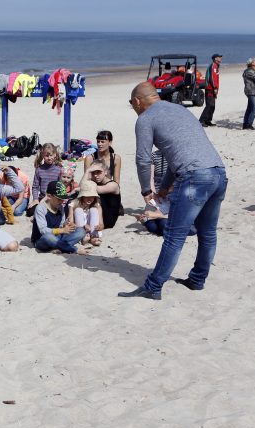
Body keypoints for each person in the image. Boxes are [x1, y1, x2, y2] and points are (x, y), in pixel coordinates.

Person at [118, 81, 227, 300]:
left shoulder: (145, 118)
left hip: (195, 177)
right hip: (218, 172)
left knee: (174, 236)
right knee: (207, 233)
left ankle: (153, 286)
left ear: (138, 101)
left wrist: (146, 190)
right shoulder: (180, 109)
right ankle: (197, 279)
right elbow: (174, 155)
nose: (133, 109)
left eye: (132, 104)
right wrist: (165, 187)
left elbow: (143, 159)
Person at [31, 181, 87, 255]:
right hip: (41, 239)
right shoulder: (41, 208)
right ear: (49, 196)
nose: (61, 201)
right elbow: (43, 230)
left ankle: (60, 247)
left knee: (81, 231)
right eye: (59, 199)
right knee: (49, 237)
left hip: (58, 237)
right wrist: (62, 230)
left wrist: (67, 225)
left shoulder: (60, 207)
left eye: (63, 199)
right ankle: (72, 249)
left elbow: (61, 225)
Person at [82, 162, 122, 229]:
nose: (95, 175)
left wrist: (88, 171)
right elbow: (84, 186)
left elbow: (85, 187)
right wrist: (88, 171)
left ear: (105, 172)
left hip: (107, 219)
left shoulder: (113, 185)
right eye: (93, 172)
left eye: (98, 172)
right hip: (96, 214)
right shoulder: (94, 182)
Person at [28, 143, 62, 215]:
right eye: (46, 156)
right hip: (42, 197)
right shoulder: (39, 169)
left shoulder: (59, 169)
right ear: (43, 156)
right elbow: (35, 186)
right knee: (30, 211)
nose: (49, 158)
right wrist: (35, 199)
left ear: (55, 154)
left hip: (54, 198)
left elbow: (61, 186)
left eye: (51, 155)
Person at [70, 179, 103, 246]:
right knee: (78, 210)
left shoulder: (97, 205)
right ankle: (82, 237)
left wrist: (99, 227)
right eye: (87, 196)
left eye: (92, 196)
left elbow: (101, 224)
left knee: (93, 210)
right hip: (79, 228)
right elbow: (71, 222)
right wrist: (84, 227)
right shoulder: (74, 204)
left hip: (93, 230)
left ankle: (93, 236)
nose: (89, 198)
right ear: (82, 196)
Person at [199, 54, 221, 127]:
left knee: (212, 106)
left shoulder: (216, 66)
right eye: (219, 57)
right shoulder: (213, 66)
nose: (220, 59)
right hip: (210, 88)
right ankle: (202, 120)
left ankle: (208, 120)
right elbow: (212, 78)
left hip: (212, 88)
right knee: (209, 105)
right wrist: (215, 87)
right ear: (215, 59)